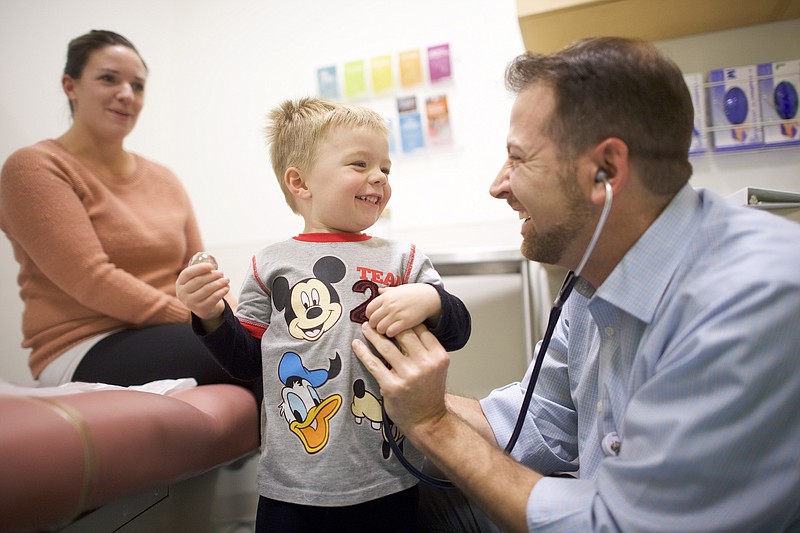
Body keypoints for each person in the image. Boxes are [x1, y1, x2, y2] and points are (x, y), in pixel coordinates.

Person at [352, 36, 800, 533]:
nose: (498, 185)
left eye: (518, 159)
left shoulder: (750, 295)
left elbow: (625, 527)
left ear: (605, 171)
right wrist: (390, 387)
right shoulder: (594, 279)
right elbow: (536, 423)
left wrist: (432, 425)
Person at [175, 97, 471, 532]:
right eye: (359, 163)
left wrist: (432, 301)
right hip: (292, 488)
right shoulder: (269, 264)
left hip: (388, 478)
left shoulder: (402, 260)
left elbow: (458, 329)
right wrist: (210, 314)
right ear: (300, 182)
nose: (378, 177)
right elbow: (244, 360)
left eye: (385, 169)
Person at [0, 30, 259, 398]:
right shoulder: (35, 168)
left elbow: (200, 270)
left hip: (177, 328)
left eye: (137, 86)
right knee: (262, 359)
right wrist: (208, 323)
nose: (126, 94)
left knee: (283, 344)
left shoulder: (164, 179)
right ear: (70, 86)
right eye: (108, 79)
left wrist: (230, 317)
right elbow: (93, 278)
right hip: (86, 343)